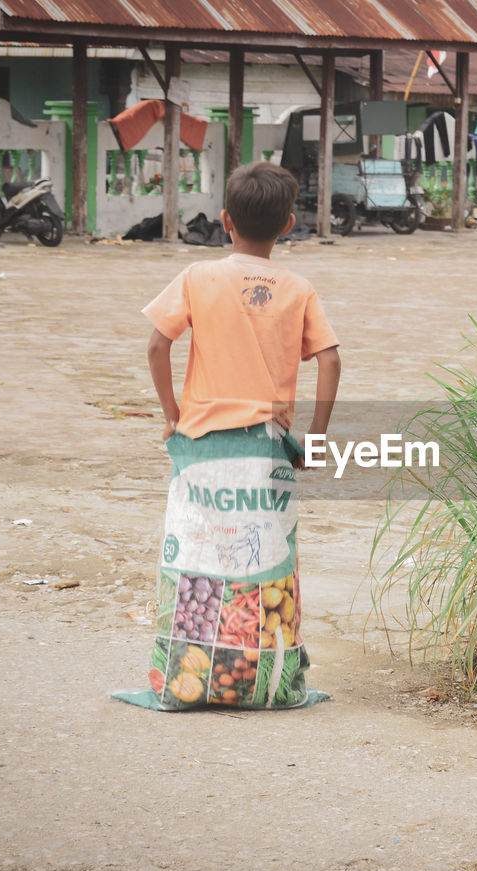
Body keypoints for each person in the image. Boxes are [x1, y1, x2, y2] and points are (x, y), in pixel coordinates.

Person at [125, 161, 340, 711]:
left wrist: (172, 414)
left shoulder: (198, 277)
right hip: (266, 442)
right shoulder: (298, 287)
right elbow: (331, 359)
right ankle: (270, 681)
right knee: (266, 558)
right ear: (289, 224)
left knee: (198, 555)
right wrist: (316, 436)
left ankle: (184, 679)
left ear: (224, 221)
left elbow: (156, 346)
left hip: (201, 440)